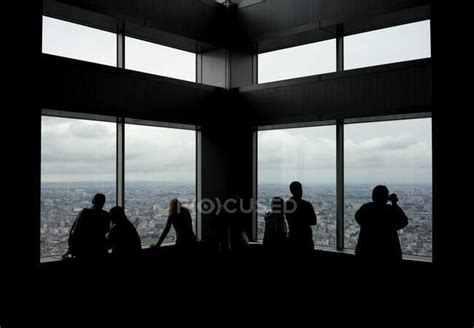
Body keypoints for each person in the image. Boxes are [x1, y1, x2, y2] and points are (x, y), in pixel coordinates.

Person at [354, 185, 408, 262]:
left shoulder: (366, 208)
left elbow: (357, 217)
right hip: (389, 253)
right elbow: (404, 221)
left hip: (365, 251)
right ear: (386, 197)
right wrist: (394, 204)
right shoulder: (390, 211)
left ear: (373, 196)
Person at [64, 193, 111, 259]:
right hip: (100, 249)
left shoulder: (84, 213)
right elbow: (107, 229)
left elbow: (75, 231)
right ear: (103, 203)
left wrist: (71, 248)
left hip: (84, 249)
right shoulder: (106, 215)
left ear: (92, 201)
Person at [285, 181, 317, 251]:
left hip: (292, 238)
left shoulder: (286, 205)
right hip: (305, 239)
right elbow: (314, 222)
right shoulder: (307, 205)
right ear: (301, 191)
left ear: (291, 191)